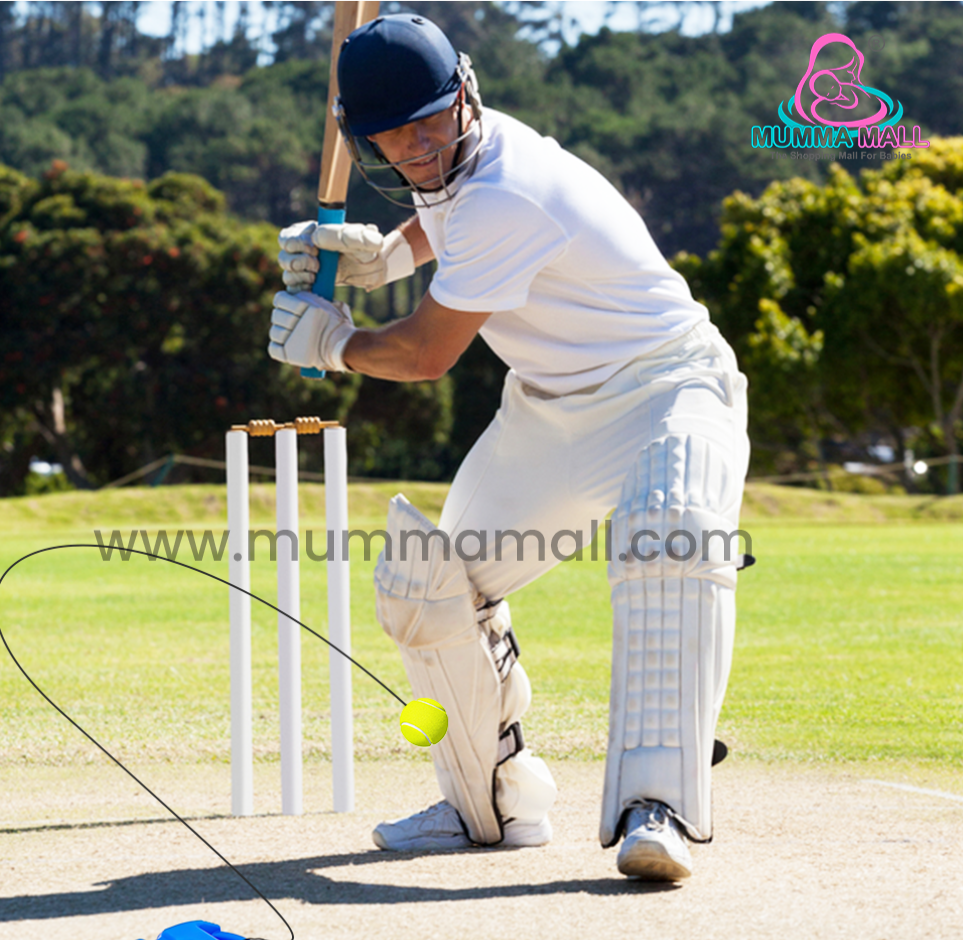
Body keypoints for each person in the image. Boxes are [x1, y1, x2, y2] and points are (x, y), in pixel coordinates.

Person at [268, 13, 750, 882]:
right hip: (550, 411)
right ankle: (487, 807)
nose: (415, 152)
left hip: (667, 389)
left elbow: (423, 353)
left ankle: (661, 808)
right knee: (429, 589)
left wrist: (335, 342)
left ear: (464, 93)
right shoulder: (452, 165)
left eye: (426, 125)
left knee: (668, 539)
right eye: (391, 139)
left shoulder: (509, 187)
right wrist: (385, 257)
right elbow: (442, 216)